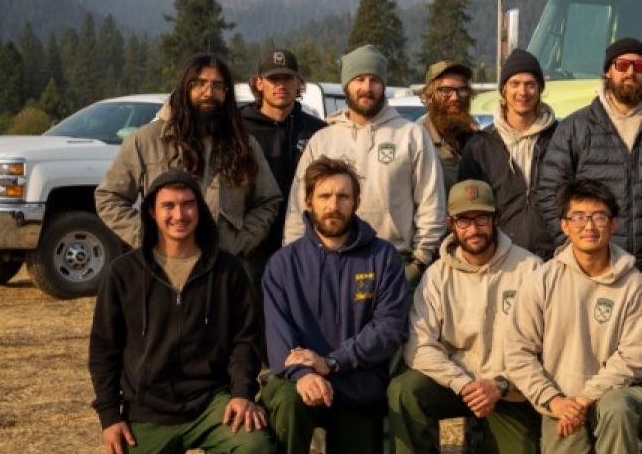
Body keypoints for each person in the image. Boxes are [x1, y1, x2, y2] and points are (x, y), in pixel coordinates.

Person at [88, 170, 272, 454]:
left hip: (210, 403)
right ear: (152, 213)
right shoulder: (123, 274)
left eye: (188, 204)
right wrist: (110, 417)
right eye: (168, 206)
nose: (179, 215)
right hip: (148, 409)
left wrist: (241, 392)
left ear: (200, 211)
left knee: (256, 445)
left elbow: (245, 341)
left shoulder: (227, 270)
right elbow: (104, 351)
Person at [261, 156, 411, 454]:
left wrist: (334, 363)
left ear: (356, 201)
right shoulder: (283, 264)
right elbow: (278, 337)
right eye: (324, 196)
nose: (334, 205)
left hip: (356, 387)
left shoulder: (382, 258)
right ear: (308, 202)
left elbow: (389, 328)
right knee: (289, 401)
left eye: (343, 196)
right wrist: (303, 376)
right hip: (302, 385)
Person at [380, 180, 545, 454]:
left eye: (482, 219)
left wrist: (500, 384)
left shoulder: (530, 269)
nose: (474, 229)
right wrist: (464, 383)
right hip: (460, 383)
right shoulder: (437, 275)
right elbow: (419, 345)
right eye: (464, 220)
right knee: (405, 389)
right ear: (451, 223)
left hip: (510, 390)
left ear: (495, 219)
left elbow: (546, 345)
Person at [503, 179, 642, 454]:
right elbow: (517, 352)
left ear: (614, 224)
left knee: (618, 406)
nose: (590, 226)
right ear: (564, 225)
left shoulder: (634, 284)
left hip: (606, 396)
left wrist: (585, 398)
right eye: (579, 217)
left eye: (599, 216)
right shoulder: (542, 280)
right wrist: (555, 401)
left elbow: (634, 358)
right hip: (559, 403)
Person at [533, 37, 642, 289]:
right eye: (622, 65)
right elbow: (549, 191)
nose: (630, 72)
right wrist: (573, 243)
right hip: (592, 268)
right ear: (607, 72)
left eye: (639, 67)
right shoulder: (575, 128)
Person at [96, 52, 282, 266]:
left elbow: (268, 200)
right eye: (199, 84)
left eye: (217, 86)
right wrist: (149, 238)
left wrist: (240, 242)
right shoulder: (145, 141)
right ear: (185, 87)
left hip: (223, 268)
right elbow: (109, 198)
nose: (208, 92)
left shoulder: (244, 145)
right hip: (163, 267)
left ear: (226, 93)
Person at [285, 45, 448, 285]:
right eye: (359, 79)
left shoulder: (411, 136)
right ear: (346, 85)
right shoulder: (323, 140)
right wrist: (295, 261)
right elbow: (299, 208)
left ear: (383, 85)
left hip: (395, 265)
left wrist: (419, 262)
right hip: (330, 265)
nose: (366, 88)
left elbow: (431, 205)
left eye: (374, 80)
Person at [459, 49, 558, 259]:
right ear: (504, 90)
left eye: (530, 84)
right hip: (501, 258)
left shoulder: (561, 138)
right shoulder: (480, 146)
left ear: (540, 89)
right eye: (515, 84)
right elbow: (469, 207)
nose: (523, 92)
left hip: (554, 256)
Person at [240, 48, 327, 279]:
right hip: (251, 248)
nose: (281, 85)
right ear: (259, 83)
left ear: (298, 83)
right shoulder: (237, 128)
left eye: (288, 78)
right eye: (273, 79)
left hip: (304, 246)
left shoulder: (317, 131)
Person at [418, 59, 478, 190]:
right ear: (430, 95)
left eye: (462, 90)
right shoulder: (418, 140)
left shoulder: (478, 141)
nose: (455, 97)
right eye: (446, 91)